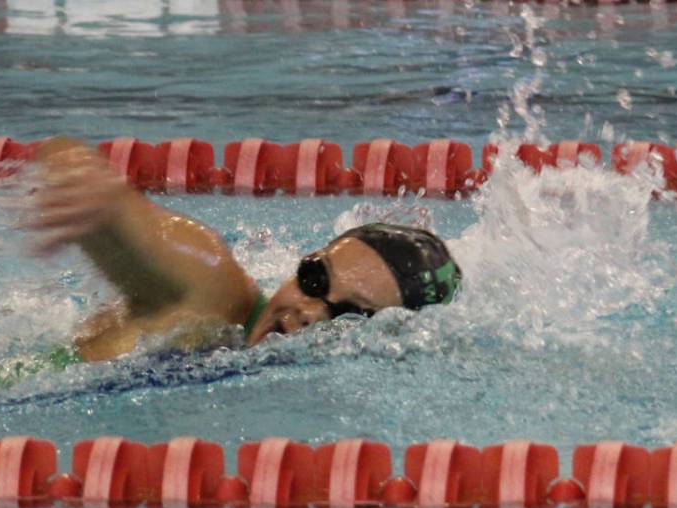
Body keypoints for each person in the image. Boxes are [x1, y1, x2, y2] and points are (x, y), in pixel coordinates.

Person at [24, 137, 462, 362]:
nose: (309, 311)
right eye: (315, 278)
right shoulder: (209, 291)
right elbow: (112, 203)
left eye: (350, 313)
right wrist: (84, 182)